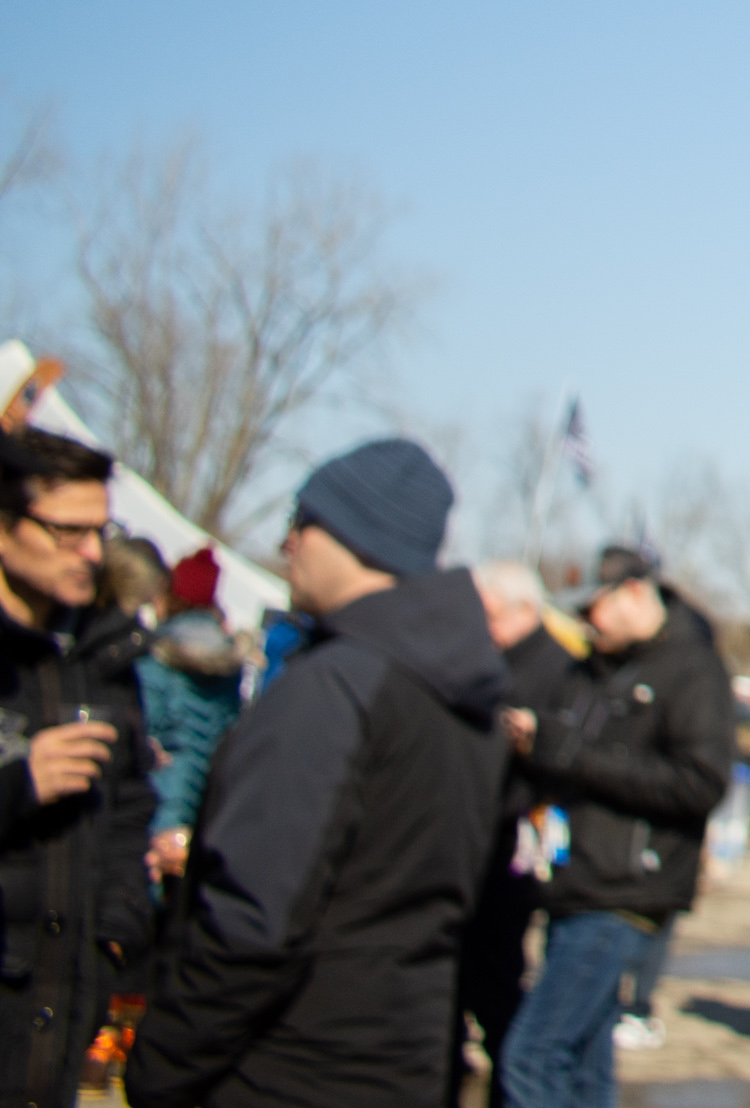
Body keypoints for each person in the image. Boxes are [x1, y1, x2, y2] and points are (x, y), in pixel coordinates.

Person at [129, 437, 508, 1108]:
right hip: (403, 1057)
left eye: (300, 523)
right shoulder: (465, 696)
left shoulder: (334, 689)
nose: (286, 546)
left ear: (348, 534)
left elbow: (251, 921)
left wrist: (162, 1064)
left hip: (285, 1069)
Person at [498, 544, 732, 1108]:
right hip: (573, 878)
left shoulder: (691, 668)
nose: (586, 622)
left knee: (531, 1056)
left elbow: (701, 783)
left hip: (623, 889)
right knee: (584, 1063)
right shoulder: (597, 664)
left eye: (593, 607)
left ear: (633, 592)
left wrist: (568, 752)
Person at [0, 424, 157, 1104]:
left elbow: (130, 808)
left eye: (102, 531)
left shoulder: (105, 656)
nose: (92, 553)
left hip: (59, 1023)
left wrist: (117, 931)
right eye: (67, 531)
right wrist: (18, 784)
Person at [450, 558, 584, 1103]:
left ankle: (514, 1084)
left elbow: (569, 761)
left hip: (513, 840)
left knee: (495, 974)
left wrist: (532, 739)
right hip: (470, 833)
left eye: (494, 614)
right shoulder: (484, 658)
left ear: (527, 610)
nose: (487, 626)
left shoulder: (561, 671)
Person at [136, 546, 245, 885]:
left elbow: (147, 729)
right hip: (203, 808)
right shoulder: (230, 667)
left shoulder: (158, 657)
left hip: (154, 799)